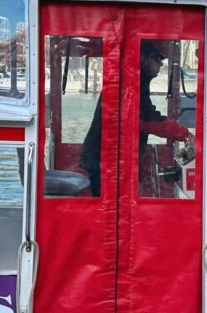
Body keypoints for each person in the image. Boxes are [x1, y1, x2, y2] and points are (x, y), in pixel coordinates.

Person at [79, 41, 193, 197]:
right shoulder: (132, 82)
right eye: (158, 60)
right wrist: (185, 134)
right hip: (104, 159)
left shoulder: (134, 79)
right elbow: (150, 120)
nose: (160, 65)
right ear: (144, 58)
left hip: (106, 157)